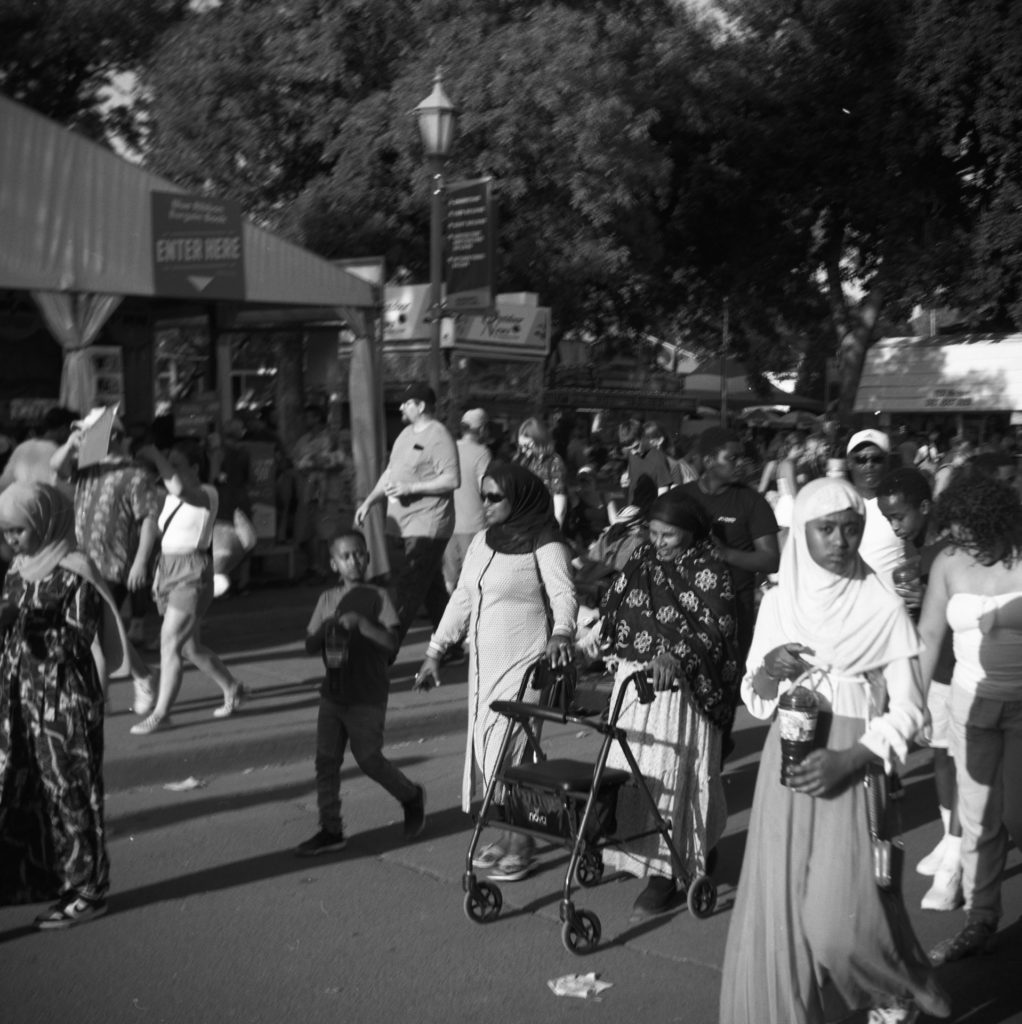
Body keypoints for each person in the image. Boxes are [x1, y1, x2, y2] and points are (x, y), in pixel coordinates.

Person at [719, 477, 949, 1024]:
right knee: (781, 918)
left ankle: (898, 990)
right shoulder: (778, 601)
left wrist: (851, 758)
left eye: (852, 528)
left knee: (837, 925)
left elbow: (911, 711)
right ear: (802, 533)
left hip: (852, 764)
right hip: (788, 765)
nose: (841, 540)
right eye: (827, 529)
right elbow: (755, 699)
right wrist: (770, 669)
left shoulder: (882, 608)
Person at [412, 463, 577, 882]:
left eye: (493, 497)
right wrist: (436, 650)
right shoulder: (484, 542)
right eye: (482, 496)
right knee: (489, 752)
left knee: (510, 749)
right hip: (484, 669)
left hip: (527, 666)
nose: (483, 505)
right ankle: (506, 834)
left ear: (518, 497)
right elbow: (463, 599)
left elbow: (564, 594)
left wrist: (561, 634)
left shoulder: (545, 541)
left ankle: (523, 842)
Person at [598, 491, 738, 919]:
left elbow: (717, 630)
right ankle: (647, 852)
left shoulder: (711, 570)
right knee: (634, 770)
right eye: (654, 534)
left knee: (672, 773)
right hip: (634, 686)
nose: (659, 543)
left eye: (669, 536)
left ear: (691, 533)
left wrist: (675, 655)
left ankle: (668, 873)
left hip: (682, 695)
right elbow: (615, 609)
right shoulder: (642, 559)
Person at [0, 483, 129, 928]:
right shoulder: (17, 570)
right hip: (21, 699)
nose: (12, 540)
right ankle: (55, 882)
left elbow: (78, 637)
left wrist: (32, 626)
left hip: (64, 699)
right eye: (7, 533)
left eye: (19, 530)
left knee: (72, 792)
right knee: (27, 791)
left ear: (44, 523)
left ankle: (89, 890)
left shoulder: (74, 568)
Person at [916, 474, 1022, 965]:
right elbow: (930, 634)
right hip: (969, 709)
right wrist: (911, 703)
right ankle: (980, 919)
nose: (963, 542)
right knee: (978, 821)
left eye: (971, 531)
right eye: (955, 532)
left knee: (1017, 815)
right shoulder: (947, 563)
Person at [295, 530, 425, 855]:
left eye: (359, 554)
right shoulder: (327, 599)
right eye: (345, 556)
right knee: (326, 762)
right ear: (333, 563)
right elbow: (310, 645)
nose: (354, 561)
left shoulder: (378, 597)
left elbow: (391, 644)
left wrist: (362, 625)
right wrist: (327, 628)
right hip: (333, 694)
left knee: (368, 759)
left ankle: (410, 795)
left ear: (368, 557)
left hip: (367, 695)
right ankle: (331, 828)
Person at [877, 468, 962, 912]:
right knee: (942, 756)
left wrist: (922, 594)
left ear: (925, 507)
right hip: (937, 666)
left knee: (960, 762)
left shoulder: (948, 545)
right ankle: (952, 839)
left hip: (962, 666)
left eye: (899, 517)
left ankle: (960, 855)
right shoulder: (917, 547)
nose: (895, 526)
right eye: (888, 518)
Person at [130, 439, 245, 735]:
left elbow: (180, 489)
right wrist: (149, 567)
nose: (168, 471)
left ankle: (161, 714)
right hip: (167, 570)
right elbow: (157, 532)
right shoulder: (166, 497)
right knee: (190, 648)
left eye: (175, 464)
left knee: (170, 642)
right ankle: (231, 687)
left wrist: (155, 452)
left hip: (192, 572)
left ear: (194, 468)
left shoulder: (207, 493)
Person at [49, 415, 162, 714]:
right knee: (104, 632)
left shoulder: (136, 474)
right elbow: (56, 466)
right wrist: (71, 443)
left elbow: (150, 520)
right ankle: (143, 675)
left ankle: (99, 703)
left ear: (109, 436)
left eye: (88, 433)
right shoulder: (87, 467)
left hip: (114, 562)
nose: (83, 439)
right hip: (82, 560)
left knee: (95, 636)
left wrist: (140, 562)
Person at [679, 426, 779, 756]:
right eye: (731, 457)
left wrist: (727, 555)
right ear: (708, 461)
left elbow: (771, 559)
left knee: (723, 692)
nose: (741, 464)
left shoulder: (751, 501)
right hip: (684, 611)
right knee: (684, 693)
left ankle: (717, 756)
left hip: (734, 613)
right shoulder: (682, 499)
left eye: (742, 457)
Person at [354, 383, 459, 644]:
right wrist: (369, 501)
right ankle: (453, 643)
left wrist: (411, 487)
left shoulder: (439, 436)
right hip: (405, 525)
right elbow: (390, 474)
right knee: (431, 587)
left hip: (428, 525)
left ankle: (385, 648)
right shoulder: (404, 435)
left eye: (406, 402)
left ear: (421, 406)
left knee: (408, 587)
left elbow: (452, 479)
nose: (400, 406)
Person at [846, 428, 907, 588]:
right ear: (849, 463)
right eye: (861, 459)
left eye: (876, 459)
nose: (869, 465)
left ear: (887, 462)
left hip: (893, 607)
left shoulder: (904, 506)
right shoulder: (837, 505)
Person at [442, 408, 492, 595]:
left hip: (448, 523)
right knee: (473, 576)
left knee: (449, 575)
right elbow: (484, 487)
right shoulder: (482, 453)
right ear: (481, 429)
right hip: (474, 523)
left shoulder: (449, 448)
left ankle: (445, 615)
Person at [0, 407, 76, 497]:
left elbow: (4, 484)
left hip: (20, 506)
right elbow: (68, 492)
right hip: (47, 507)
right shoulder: (59, 454)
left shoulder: (23, 447)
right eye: (73, 432)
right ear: (64, 430)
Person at [513, 416, 569, 526]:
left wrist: (555, 533)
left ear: (540, 440)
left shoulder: (554, 462)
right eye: (521, 447)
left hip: (545, 526)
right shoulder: (526, 461)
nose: (523, 450)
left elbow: (560, 509)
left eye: (527, 446)